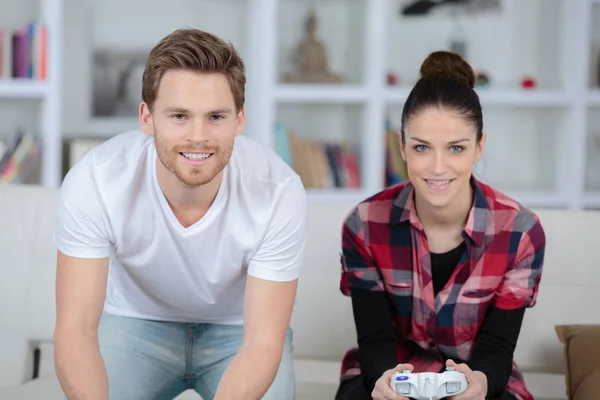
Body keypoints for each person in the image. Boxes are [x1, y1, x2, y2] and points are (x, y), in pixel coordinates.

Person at [53, 28, 306, 400]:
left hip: (238, 332)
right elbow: (75, 329)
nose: (198, 136)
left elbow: (262, 342)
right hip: (135, 321)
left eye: (216, 116)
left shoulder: (279, 192)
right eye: (179, 116)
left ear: (239, 120)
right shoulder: (95, 181)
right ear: (146, 117)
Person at [334, 51, 546, 400]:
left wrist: (479, 384)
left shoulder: (521, 233)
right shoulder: (364, 225)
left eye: (455, 149)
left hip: (479, 376)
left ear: (479, 147)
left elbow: (495, 348)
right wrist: (384, 382)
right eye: (421, 147)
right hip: (389, 373)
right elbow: (375, 340)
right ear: (401, 146)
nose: (437, 167)